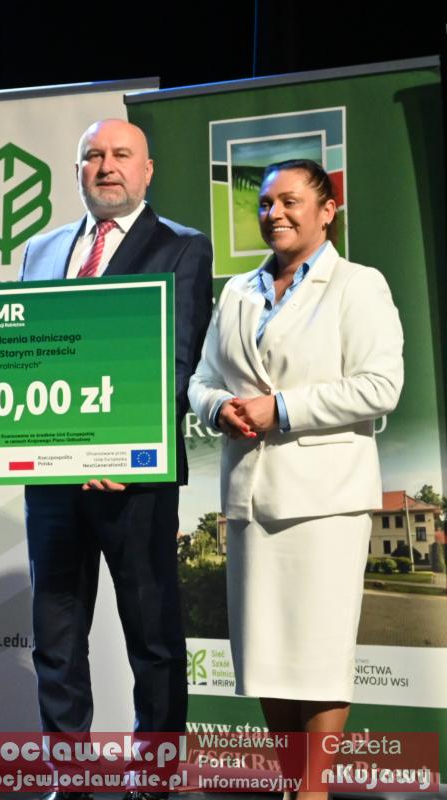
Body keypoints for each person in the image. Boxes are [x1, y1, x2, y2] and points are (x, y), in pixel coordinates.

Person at [0, 119, 212, 800]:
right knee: (55, 634)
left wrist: (126, 445)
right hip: (53, 477)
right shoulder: (42, 247)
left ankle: (155, 776)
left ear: (147, 170)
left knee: (152, 636)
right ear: (77, 170)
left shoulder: (182, 247)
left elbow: (179, 359)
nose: (106, 166)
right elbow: (19, 343)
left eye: (121, 155)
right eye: (93, 156)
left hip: (133, 477)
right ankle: (69, 773)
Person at [188, 159, 402, 799]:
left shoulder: (357, 285)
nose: (273, 213)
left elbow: (380, 386)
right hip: (251, 499)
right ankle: (290, 785)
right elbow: (201, 378)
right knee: (267, 657)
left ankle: (313, 792)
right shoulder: (237, 291)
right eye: (264, 203)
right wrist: (217, 408)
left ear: (327, 210)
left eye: (289, 201)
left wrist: (280, 408)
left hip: (325, 500)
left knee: (318, 656)